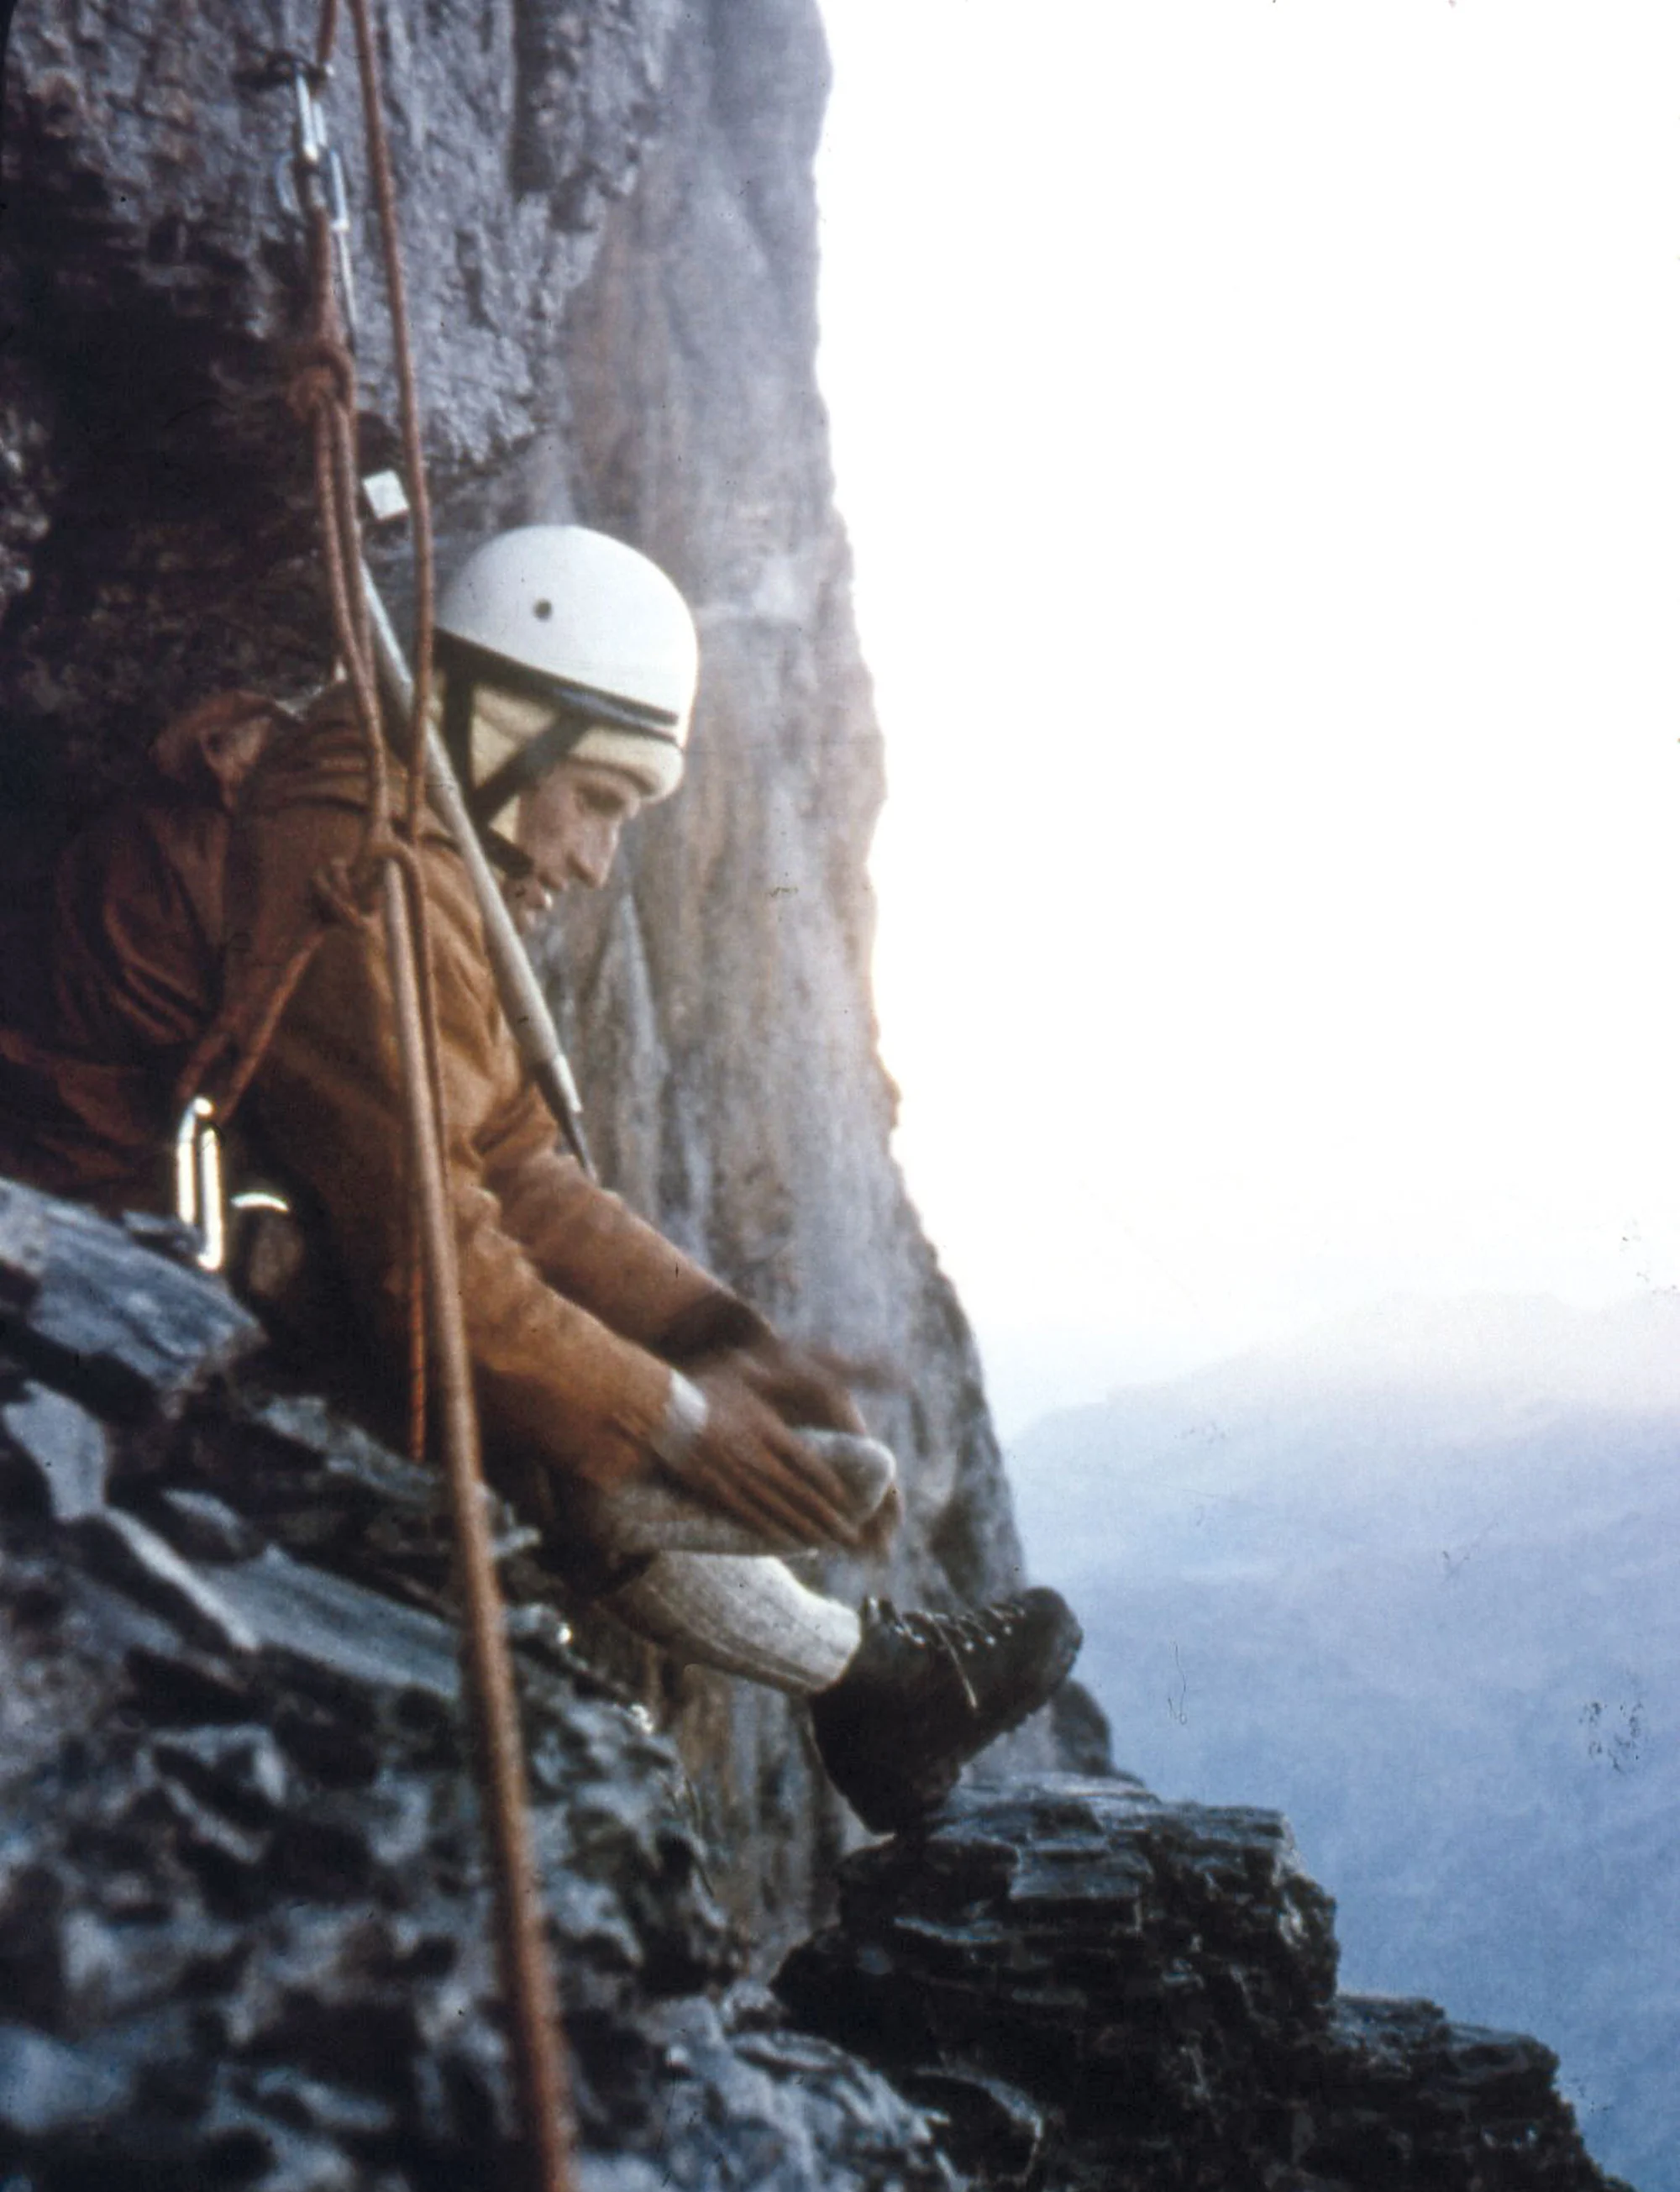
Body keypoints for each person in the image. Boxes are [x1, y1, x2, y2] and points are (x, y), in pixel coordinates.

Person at [0, 524, 1079, 1833]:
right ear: (508, 728)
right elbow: (441, 1268)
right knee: (544, 1411)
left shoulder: (404, 828)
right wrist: (679, 1419)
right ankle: (870, 1686)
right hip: (82, 1297)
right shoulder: (366, 878)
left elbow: (511, 1154)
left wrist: (714, 1337)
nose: (592, 860)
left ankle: (869, 1683)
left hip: (156, 1237)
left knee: (577, 1394)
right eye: (603, 802)